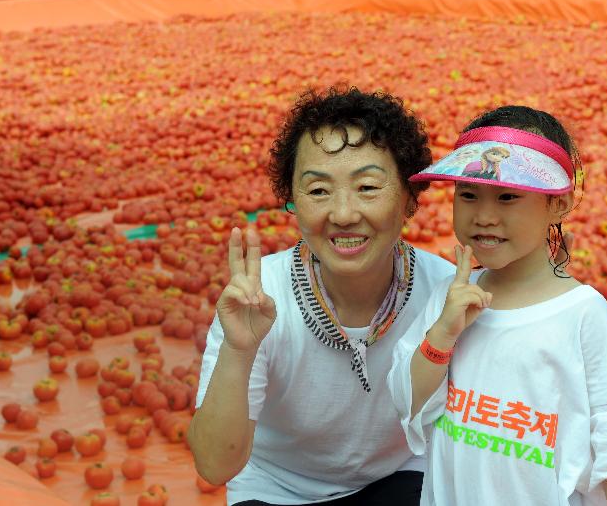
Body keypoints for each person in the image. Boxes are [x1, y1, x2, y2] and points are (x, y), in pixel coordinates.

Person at [188, 87, 456, 506]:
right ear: (291, 201)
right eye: (318, 191)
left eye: (368, 187)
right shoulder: (261, 297)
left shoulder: (443, 293)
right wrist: (240, 350)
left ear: (409, 199)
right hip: (278, 489)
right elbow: (214, 466)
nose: (344, 214)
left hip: (399, 480)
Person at [388, 106, 607, 505]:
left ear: (558, 204)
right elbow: (406, 398)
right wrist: (443, 333)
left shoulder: (583, 314)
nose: (484, 216)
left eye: (509, 196)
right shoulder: (450, 296)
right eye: (469, 194)